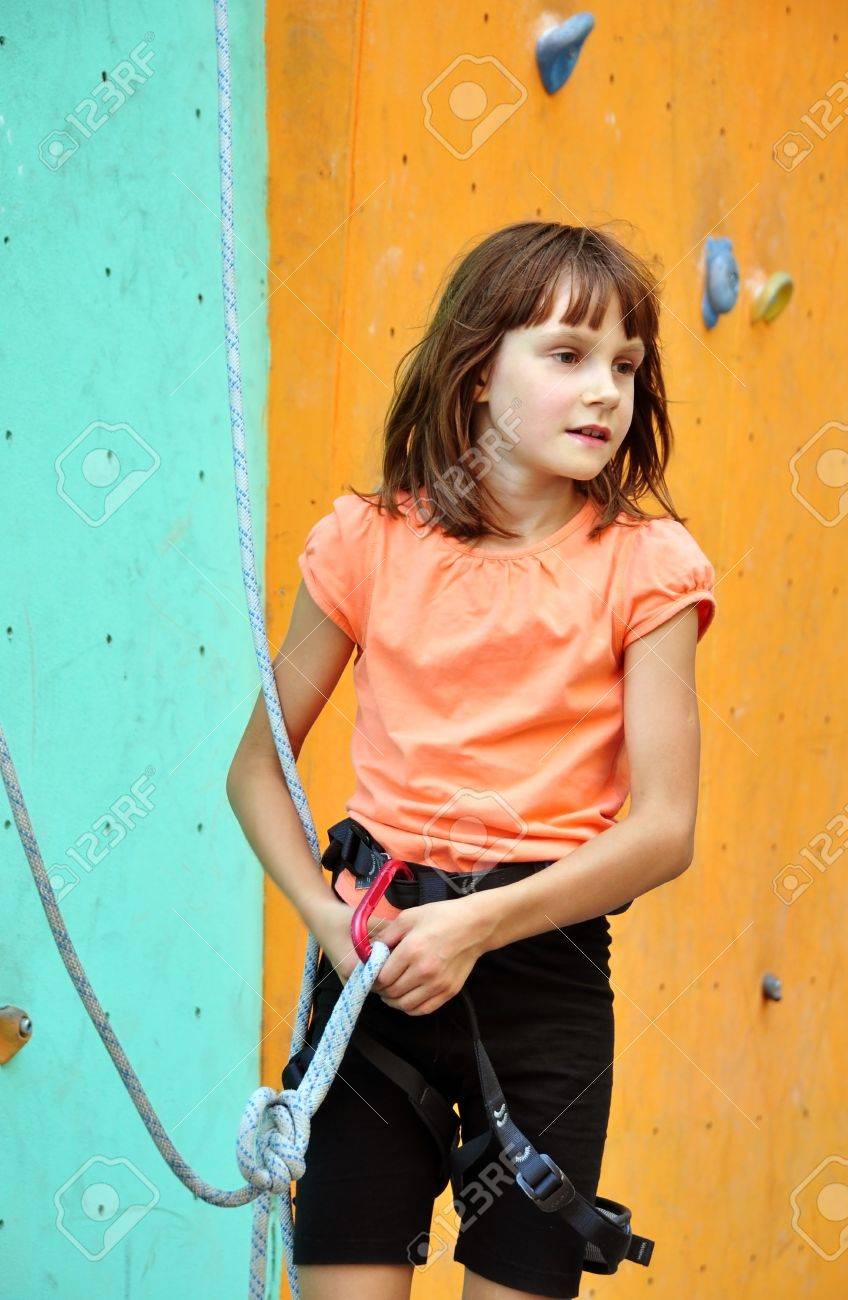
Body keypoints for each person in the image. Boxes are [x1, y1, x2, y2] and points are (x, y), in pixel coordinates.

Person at [226, 220, 718, 1300]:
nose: (604, 390)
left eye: (625, 366)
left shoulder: (647, 570)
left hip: (540, 983)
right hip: (374, 974)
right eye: (566, 355)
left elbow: (661, 829)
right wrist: (329, 927)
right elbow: (256, 771)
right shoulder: (365, 542)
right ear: (475, 369)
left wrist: (476, 925)